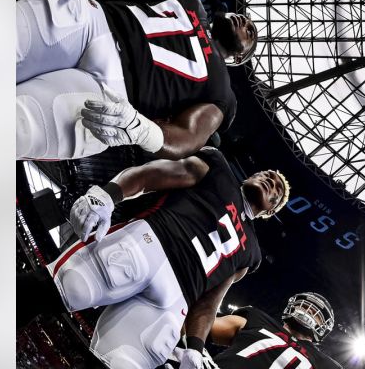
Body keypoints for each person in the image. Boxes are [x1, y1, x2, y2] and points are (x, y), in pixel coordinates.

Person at [17, 148, 289, 369]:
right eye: (268, 174)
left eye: (276, 187)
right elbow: (152, 175)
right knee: (50, 290)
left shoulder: (251, 254)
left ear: (271, 209)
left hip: (175, 300)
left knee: (121, 363)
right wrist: (109, 194)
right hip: (148, 245)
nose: (270, 179)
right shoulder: (218, 169)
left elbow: (209, 301)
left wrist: (195, 346)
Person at [17, 0, 257, 160]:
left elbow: (189, 136)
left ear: (237, 60)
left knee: (8, 128)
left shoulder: (222, 93)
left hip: (113, 96)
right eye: (247, 20)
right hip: (93, 23)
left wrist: (142, 130)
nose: (245, 23)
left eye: (250, 34)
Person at [196, 293, 343, 368]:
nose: (308, 311)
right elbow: (197, 326)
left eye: (316, 314)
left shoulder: (327, 365)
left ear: (323, 328)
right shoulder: (258, 319)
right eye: (304, 306)